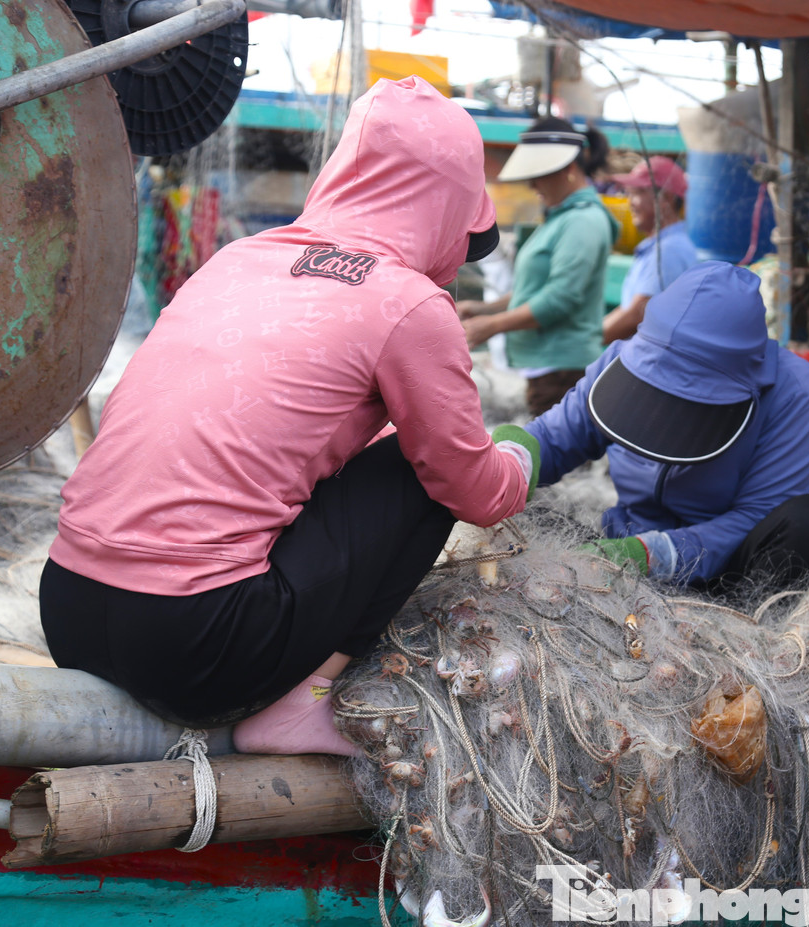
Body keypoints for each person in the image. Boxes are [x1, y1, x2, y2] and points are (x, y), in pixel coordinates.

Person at [38, 77, 540, 757]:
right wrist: (517, 460)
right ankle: (301, 705)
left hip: (68, 604)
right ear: (447, 209)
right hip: (192, 642)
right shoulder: (409, 302)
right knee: (425, 469)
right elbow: (472, 489)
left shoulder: (237, 260)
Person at [525, 261, 809, 595]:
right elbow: (552, 439)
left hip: (727, 569)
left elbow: (757, 514)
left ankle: (743, 627)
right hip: (621, 542)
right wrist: (510, 460)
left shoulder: (795, 393)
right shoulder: (622, 366)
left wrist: (655, 555)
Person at [457, 117, 619, 417]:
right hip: (549, 368)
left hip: (562, 370)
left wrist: (492, 326)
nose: (532, 185)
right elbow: (537, 291)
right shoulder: (564, 218)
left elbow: (560, 298)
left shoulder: (583, 221)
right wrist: (482, 310)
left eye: (540, 175)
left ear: (569, 171)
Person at [601, 155, 700, 344]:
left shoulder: (669, 250)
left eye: (638, 193)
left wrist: (585, 342)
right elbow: (629, 309)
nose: (630, 202)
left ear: (666, 199)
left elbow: (636, 315)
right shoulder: (663, 246)